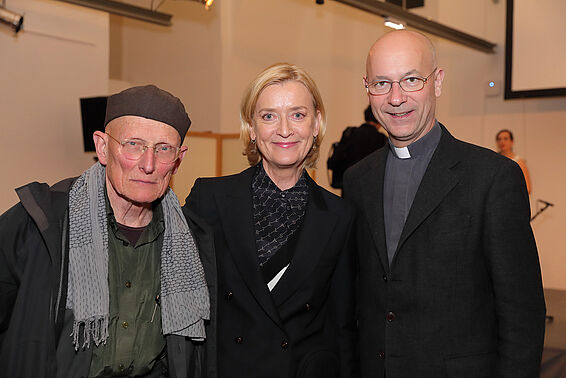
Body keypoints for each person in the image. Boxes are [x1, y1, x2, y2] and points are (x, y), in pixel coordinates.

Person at [343, 30, 545, 377]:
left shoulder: (492, 178)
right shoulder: (357, 179)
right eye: (381, 83)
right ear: (367, 88)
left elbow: (522, 314)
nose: (396, 98)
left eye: (410, 80)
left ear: (437, 82)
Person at [0, 85, 216, 378]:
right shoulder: (40, 223)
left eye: (163, 149)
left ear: (178, 160)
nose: (148, 164)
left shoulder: (192, 241)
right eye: (133, 144)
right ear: (103, 147)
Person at [184, 63, 357, 378]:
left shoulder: (340, 216)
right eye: (268, 116)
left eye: (298, 114)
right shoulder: (209, 200)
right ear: (251, 127)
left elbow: (343, 325)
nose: (285, 130)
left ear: (317, 123)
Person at [327, 105, 387, 191]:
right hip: (373, 190)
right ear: (379, 119)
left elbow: (334, 161)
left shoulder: (350, 133)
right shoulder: (382, 139)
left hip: (349, 188)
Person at [496, 129, 532, 193]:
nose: (502, 142)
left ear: (512, 141)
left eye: (505, 139)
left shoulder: (519, 162)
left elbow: (528, 188)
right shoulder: (494, 160)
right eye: (499, 139)